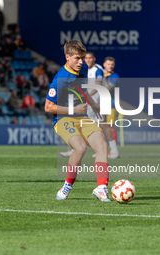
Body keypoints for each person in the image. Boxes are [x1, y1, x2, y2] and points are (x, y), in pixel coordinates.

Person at [44, 40, 110, 202]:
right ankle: (67, 185)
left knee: (102, 144)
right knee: (80, 148)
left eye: (82, 58)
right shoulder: (61, 78)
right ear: (67, 57)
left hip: (82, 117)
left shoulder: (84, 69)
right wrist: (74, 110)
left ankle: (101, 188)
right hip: (62, 119)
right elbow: (48, 107)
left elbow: (82, 88)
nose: (81, 62)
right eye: (77, 58)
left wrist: (93, 105)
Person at [60, 52, 120, 159]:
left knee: (103, 125)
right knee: (83, 123)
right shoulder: (82, 69)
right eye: (86, 58)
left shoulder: (98, 69)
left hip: (99, 102)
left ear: (94, 59)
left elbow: (97, 85)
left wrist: (86, 96)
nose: (88, 60)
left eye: (90, 58)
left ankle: (114, 150)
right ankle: (76, 149)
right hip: (88, 102)